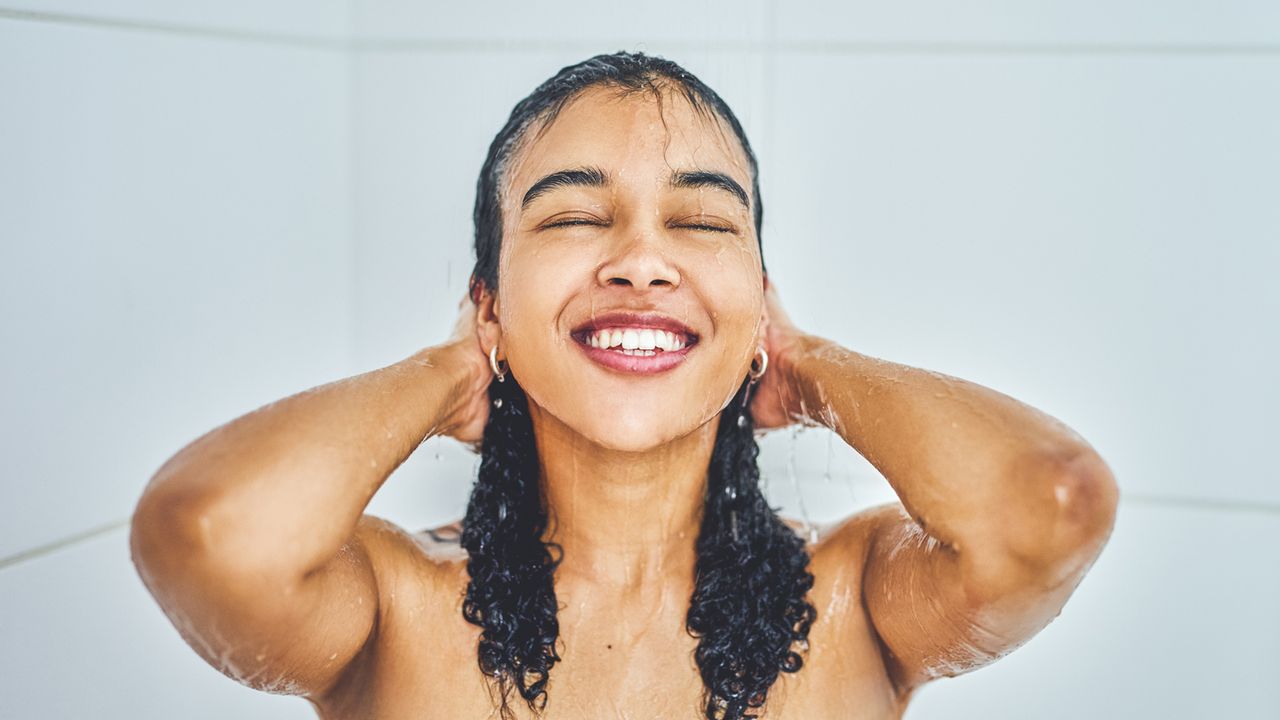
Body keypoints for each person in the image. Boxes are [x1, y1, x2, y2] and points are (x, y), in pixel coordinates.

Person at [129, 51, 1119, 720]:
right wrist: (448, 372)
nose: (642, 260)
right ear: (490, 304)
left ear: (759, 302)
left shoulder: (851, 596)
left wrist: (804, 368)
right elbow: (206, 531)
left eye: (700, 222)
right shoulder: (400, 606)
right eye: (570, 219)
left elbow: (1051, 502)